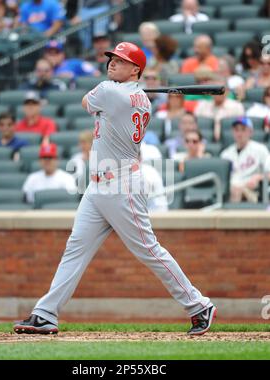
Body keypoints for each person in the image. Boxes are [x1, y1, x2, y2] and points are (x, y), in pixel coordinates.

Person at [14, 42, 216, 337]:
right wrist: (125, 88)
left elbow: (86, 102)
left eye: (121, 60)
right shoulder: (134, 97)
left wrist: (117, 88)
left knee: (149, 250)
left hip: (122, 184)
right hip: (98, 187)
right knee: (76, 247)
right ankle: (46, 313)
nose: (112, 63)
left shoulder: (110, 92)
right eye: (112, 58)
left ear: (136, 69)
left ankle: (199, 305)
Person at [221, 117, 270, 203]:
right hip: (230, 190)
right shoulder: (226, 154)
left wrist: (259, 177)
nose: (239, 133)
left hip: (253, 191)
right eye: (236, 130)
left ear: (250, 132)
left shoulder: (260, 149)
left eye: (243, 130)